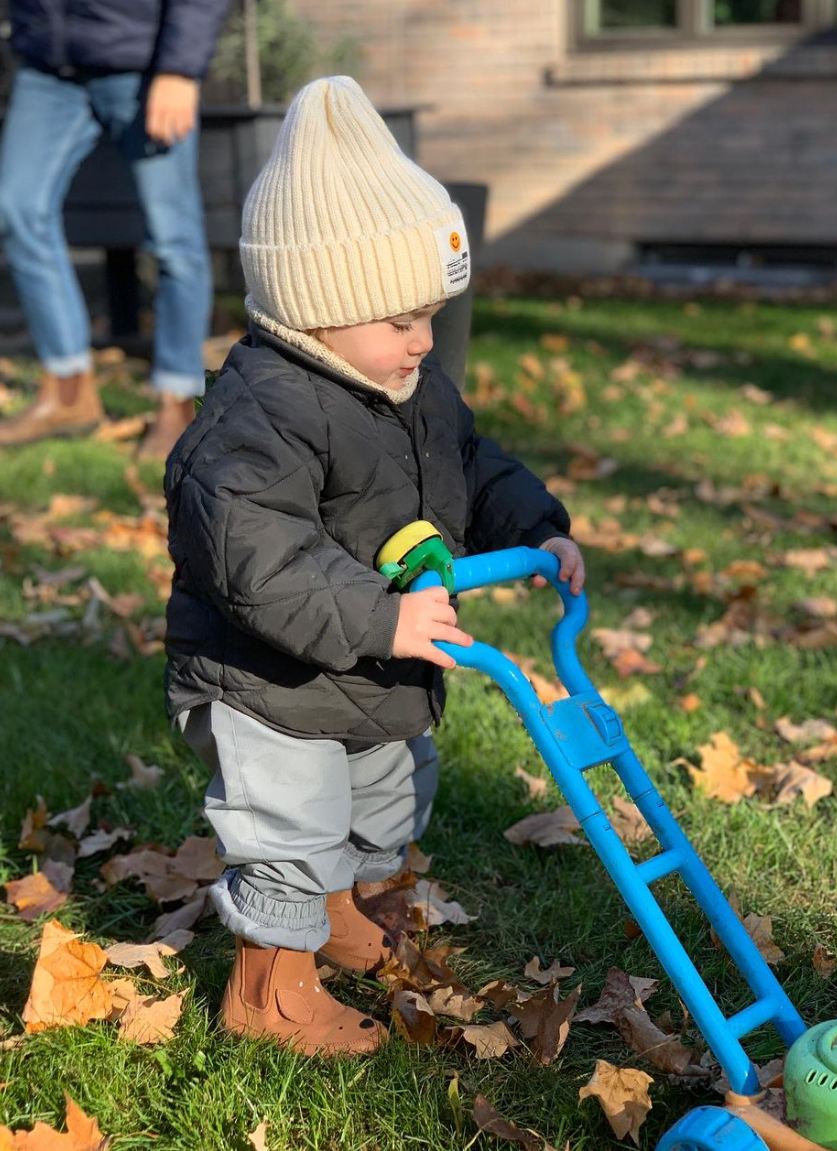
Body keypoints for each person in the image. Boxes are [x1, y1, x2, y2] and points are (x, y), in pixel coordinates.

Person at [164, 76, 585, 1056]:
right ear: (318, 305)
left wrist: (539, 525)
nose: (423, 338)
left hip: (371, 672)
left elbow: (472, 468)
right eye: (398, 318)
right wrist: (378, 616)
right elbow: (254, 556)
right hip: (266, 684)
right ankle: (267, 993)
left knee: (388, 798)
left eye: (431, 312)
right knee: (293, 833)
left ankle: (345, 916)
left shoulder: (410, 386)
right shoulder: (256, 418)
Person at [0, 0, 231, 457]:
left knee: (172, 237)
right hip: (48, 64)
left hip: (144, 64)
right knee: (17, 208)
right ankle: (68, 389)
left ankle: (176, 401)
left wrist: (180, 69)